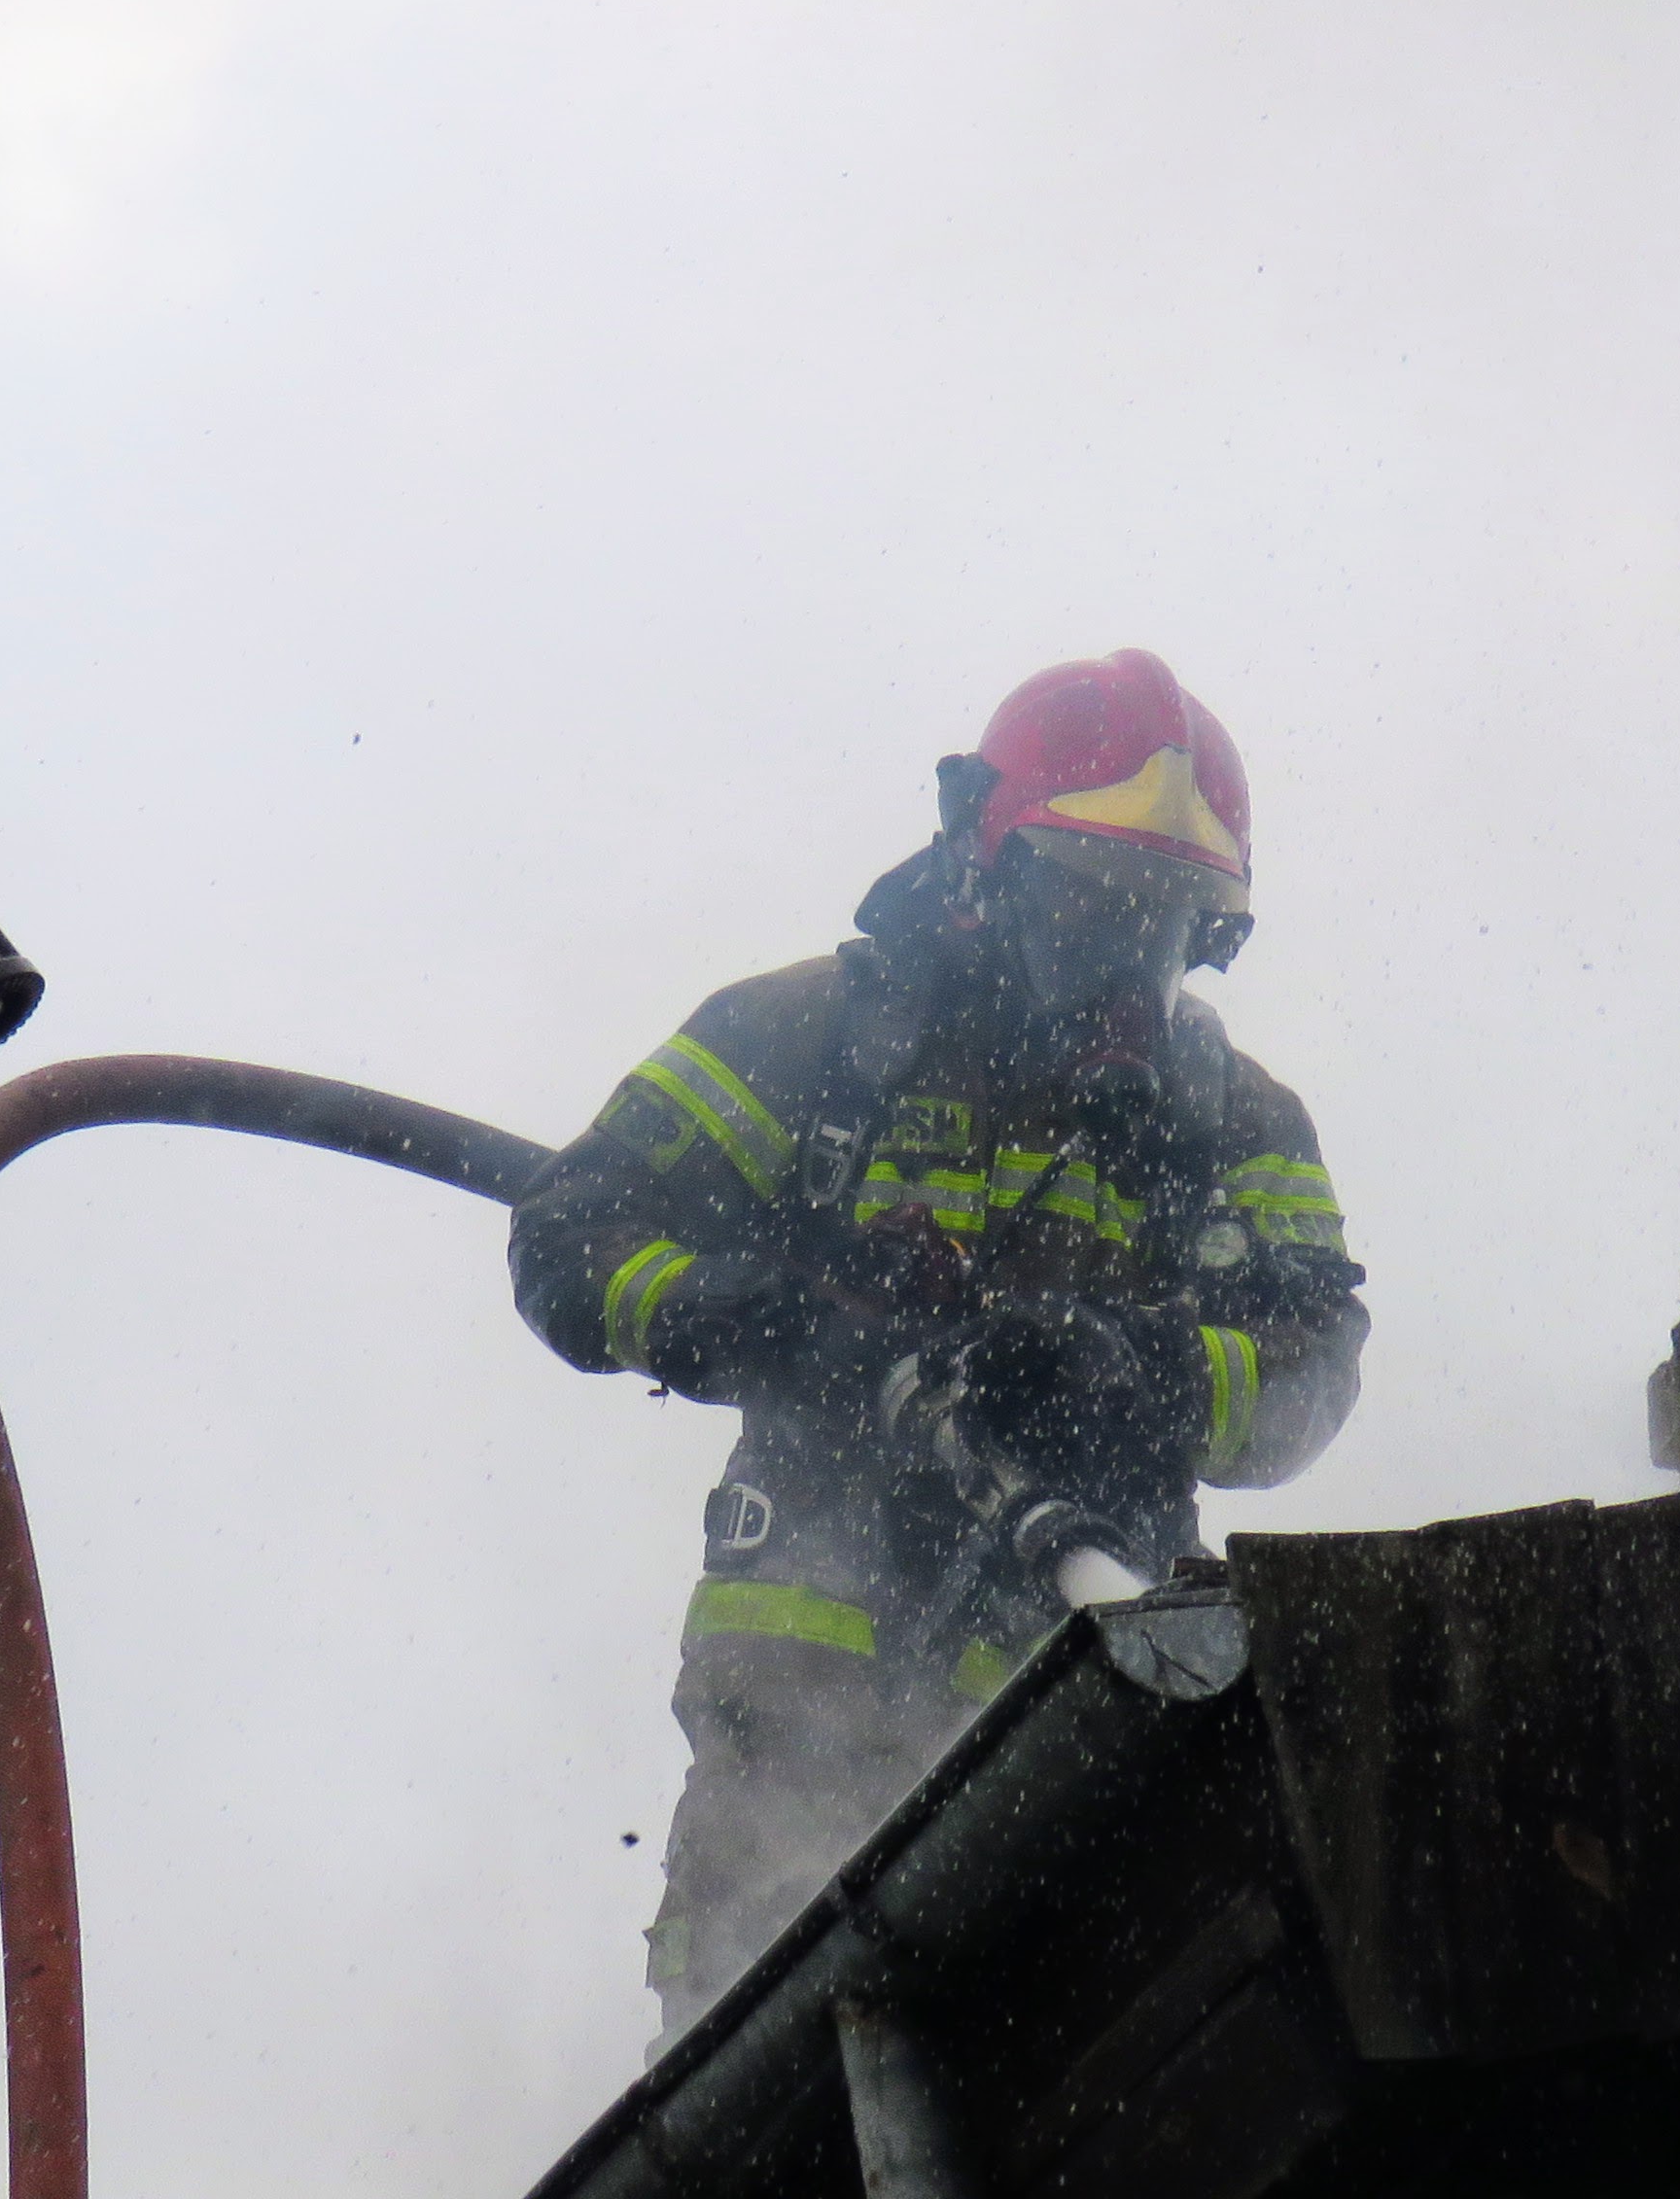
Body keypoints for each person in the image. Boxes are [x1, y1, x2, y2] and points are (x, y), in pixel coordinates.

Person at [508, 649, 1366, 2037]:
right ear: (985, 859)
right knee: (773, 2101)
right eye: (1090, 899)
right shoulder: (807, 1039)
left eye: (1164, 919)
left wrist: (1134, 1372)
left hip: (1094, 1738)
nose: (1128, 959)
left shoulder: (1232, 1122)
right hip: (796, 1742)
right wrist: (765, 1320)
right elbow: (568, 1235)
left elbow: (1316, 1367)